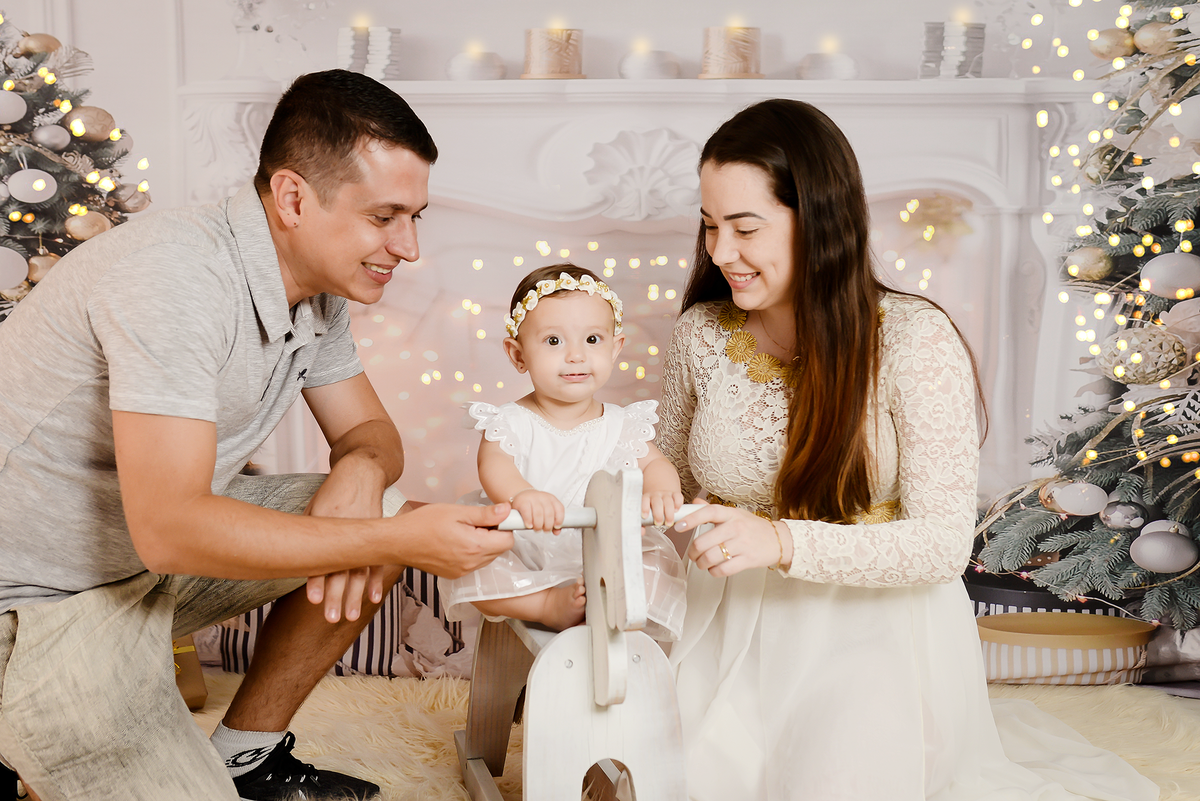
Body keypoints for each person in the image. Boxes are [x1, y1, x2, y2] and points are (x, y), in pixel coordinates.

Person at [0, 69, 515, 801]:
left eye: (415, 217)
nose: (407, 246)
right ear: (293, 198)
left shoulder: (314, 289)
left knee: (376, 510)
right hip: (35, 602)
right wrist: (390, 539)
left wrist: (362, 474)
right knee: (381, 531)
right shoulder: (175, 277)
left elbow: (370, 430)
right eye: (384, 217)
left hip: (133, 564)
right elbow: (171, 529)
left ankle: (247, 757)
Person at [660, 99, 1159, 800]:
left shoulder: (912, 339)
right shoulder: (702, 334)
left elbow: (941, 546)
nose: (718, 252)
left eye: (744, 228)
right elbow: (667, 476)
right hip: (725, 625)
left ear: (821, 220)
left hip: (870, 631)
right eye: (710, 225)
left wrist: (778, 541)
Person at [440, 264, 687, 638]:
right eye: (554, 341)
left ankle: (605, 607)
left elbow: (654, 464)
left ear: (615, 348)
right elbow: (494, 466)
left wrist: (661, 490)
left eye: (592, 339)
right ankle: (544, 604)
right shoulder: (510, 421)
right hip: (525, 547)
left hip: (603, 551)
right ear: (518, 355)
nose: (575, 355)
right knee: (474, 559)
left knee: (654, 566)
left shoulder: (621, 424)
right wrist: (522, 495)